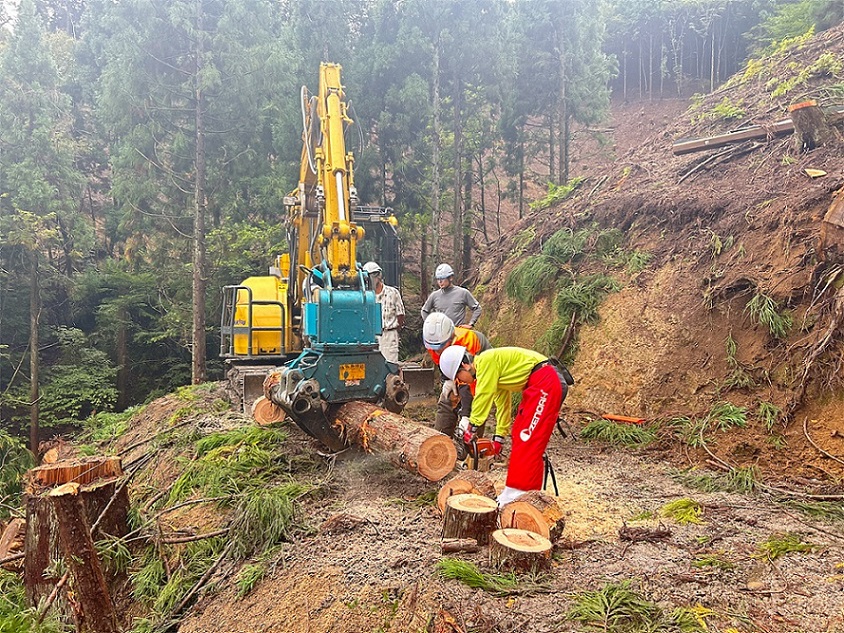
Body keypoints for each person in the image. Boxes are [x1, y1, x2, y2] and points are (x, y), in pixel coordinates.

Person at [439, 345, 571, 507]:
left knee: (527, 436)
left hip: (546, 381)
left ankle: (517, 493)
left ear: (465, 365)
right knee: (519, 431)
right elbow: (503, 403)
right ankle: (522, 492)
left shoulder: (486, 362)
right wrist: (499, 437)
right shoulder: (493, 369)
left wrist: (472, 427)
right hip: (538, 384)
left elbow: (483, 396)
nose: (461, 382)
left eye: (459, 378)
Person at [422, 313, 492, 440]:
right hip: (460, 374)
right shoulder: (433, 344)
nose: (437, 351)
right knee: (445, 404)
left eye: (440, 347)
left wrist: (466, 415)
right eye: (433, 348)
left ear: (450, 338)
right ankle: (441, 440)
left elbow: (468, 381)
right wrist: (447, 380)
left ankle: (473, 446)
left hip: (479, 377)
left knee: (474, 417)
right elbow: (441, 363)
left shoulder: (468, 343)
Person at [363, 261, 405, 363]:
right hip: (371, 337)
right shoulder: (364, 296)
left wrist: (395, 330)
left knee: (390, 365)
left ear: (378, 276)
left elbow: (400, 315)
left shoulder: (393, 293)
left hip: (389, 335)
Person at [421, 263, 481, 329]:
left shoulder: (463, 293)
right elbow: (424, 311)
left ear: (451, 278)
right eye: (438, 279)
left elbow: (477, 308)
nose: (440, 281)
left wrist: (471, 324)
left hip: (458, 332)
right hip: (441, 333)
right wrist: (431, 325)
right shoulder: (434, 296)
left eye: (442, 278)